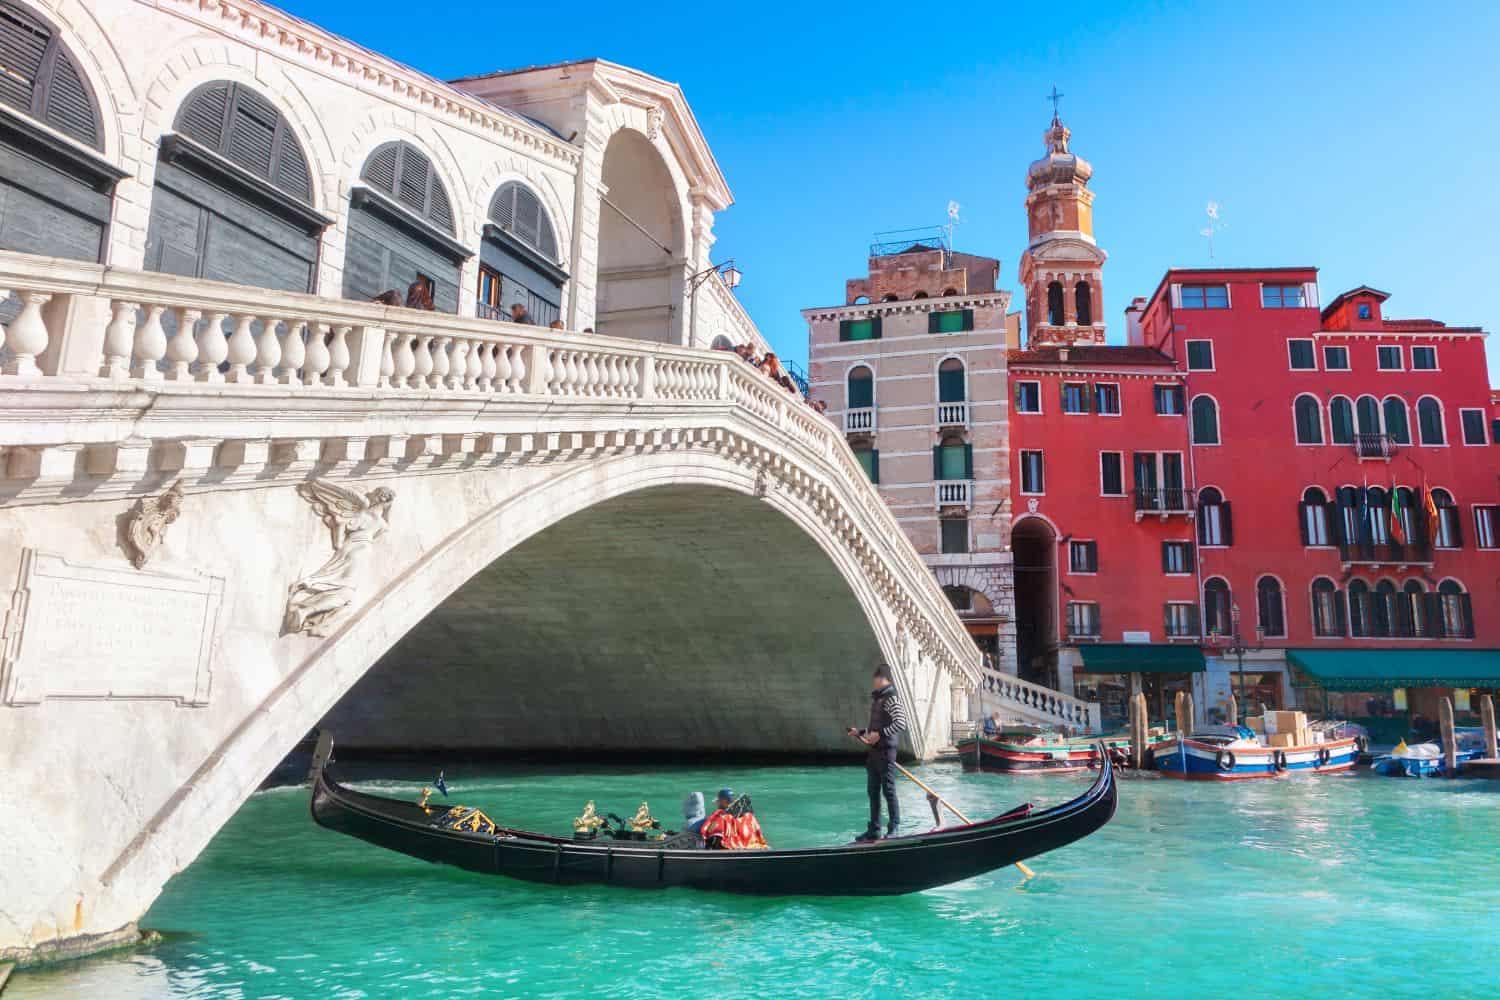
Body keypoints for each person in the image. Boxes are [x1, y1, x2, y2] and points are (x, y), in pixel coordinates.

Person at [847, 663, 907, 842]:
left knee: (888, 790)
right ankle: (874, 829)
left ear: (882, 679)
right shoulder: (878, 699)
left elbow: (900, 723)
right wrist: (860, 732)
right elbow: (875, 728)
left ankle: (894, 827)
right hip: (874, 752)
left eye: (876, 679)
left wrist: (880, 734)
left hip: (886, 751)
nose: (874, 682)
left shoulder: (891, 698)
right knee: (872, 790)